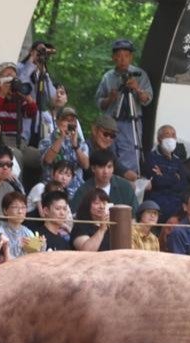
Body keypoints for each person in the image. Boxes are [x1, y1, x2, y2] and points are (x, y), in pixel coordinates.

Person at [95, 39, 153, 180]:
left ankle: (129, 185)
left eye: (126, 56)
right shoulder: (108, 77)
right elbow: (98, 102)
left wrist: (137, 89)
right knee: (109, 154)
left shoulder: (140, 74)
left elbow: (148, 99)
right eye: (119, 56)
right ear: (113, 57)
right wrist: (110, 99)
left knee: (131, 155)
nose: (122, 59)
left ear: (131, 57)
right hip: (111, 124)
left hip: (131, 124)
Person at [142, 123, 190, 218]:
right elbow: (157, 182)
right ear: (159, 139)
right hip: (158, 198)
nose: (171, 137)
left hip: (176, 199)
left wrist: (163, 175)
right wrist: (175, 177)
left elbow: (183, 184)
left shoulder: (177, 160)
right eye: (167, 134)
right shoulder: (152, 157)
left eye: (173, 135)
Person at [0, 62, 36, 145]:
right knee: (17, 155)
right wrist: (2, 95)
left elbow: (31, 114)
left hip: (19, 139)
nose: (11, 78)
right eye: (7, 75)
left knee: (36, 155)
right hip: (0, 138)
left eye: (13, 75)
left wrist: (28, 98)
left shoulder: (19, 97)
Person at [38, 106, 90, 193]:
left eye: (72, 120)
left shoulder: (81, 143)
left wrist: (75, 146)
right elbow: (48, 160)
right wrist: (61, 137)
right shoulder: (47, 140)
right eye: (66, 120)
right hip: (53, 189)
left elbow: (86, 165)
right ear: (57, 122)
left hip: (76, 189)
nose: (69, 123)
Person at [70, 148, 136, 213]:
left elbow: (135, 215)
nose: (106, 171)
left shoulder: (125, 187)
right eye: (101, 167)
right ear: (93, 168)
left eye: (109, 167)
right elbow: (75, 216)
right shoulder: (83, 191)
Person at [0, 191, 38, 258]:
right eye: (15, 207)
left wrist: (39, 245)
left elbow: (34, 256)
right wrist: (19, 244)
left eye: (23, 207)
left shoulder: (28, 232)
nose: (20, 211)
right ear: (5, 210)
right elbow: (3, 256)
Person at [71, 188, 112, 252]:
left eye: (104, 203)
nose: (102, 207)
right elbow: (86, 252)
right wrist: (102, 229)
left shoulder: (111, 226)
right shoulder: (80, 226)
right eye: (97, 203)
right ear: (87, 205)